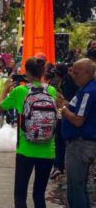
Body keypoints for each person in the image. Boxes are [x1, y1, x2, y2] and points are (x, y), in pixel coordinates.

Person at [0, 57, 57, 208]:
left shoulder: (20, 91)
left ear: (26, 72)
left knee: (20, 194)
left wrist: (5, 89)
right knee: (39, 195)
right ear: (43, 72)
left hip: (25, 149)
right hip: (48, 150)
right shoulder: (51, 90)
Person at [57, 58, 96, 208]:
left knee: (76, 187)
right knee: (79, 186)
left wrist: (62, 108)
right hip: (81, 144)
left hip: (80, 144)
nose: (73, 75)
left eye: (76, 73)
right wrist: (66, 104)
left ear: (87, 73)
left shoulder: (88, 91)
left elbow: (78, 120)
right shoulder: (85, 89)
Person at [49, 63, 79, 180]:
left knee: (61, 141)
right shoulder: (64, 81)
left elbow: (68, 101)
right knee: (61, 141)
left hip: (66, 115)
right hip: (64, 115)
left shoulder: (67, 82)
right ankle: (59, 166)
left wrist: (60, 99)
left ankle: (59, 166)